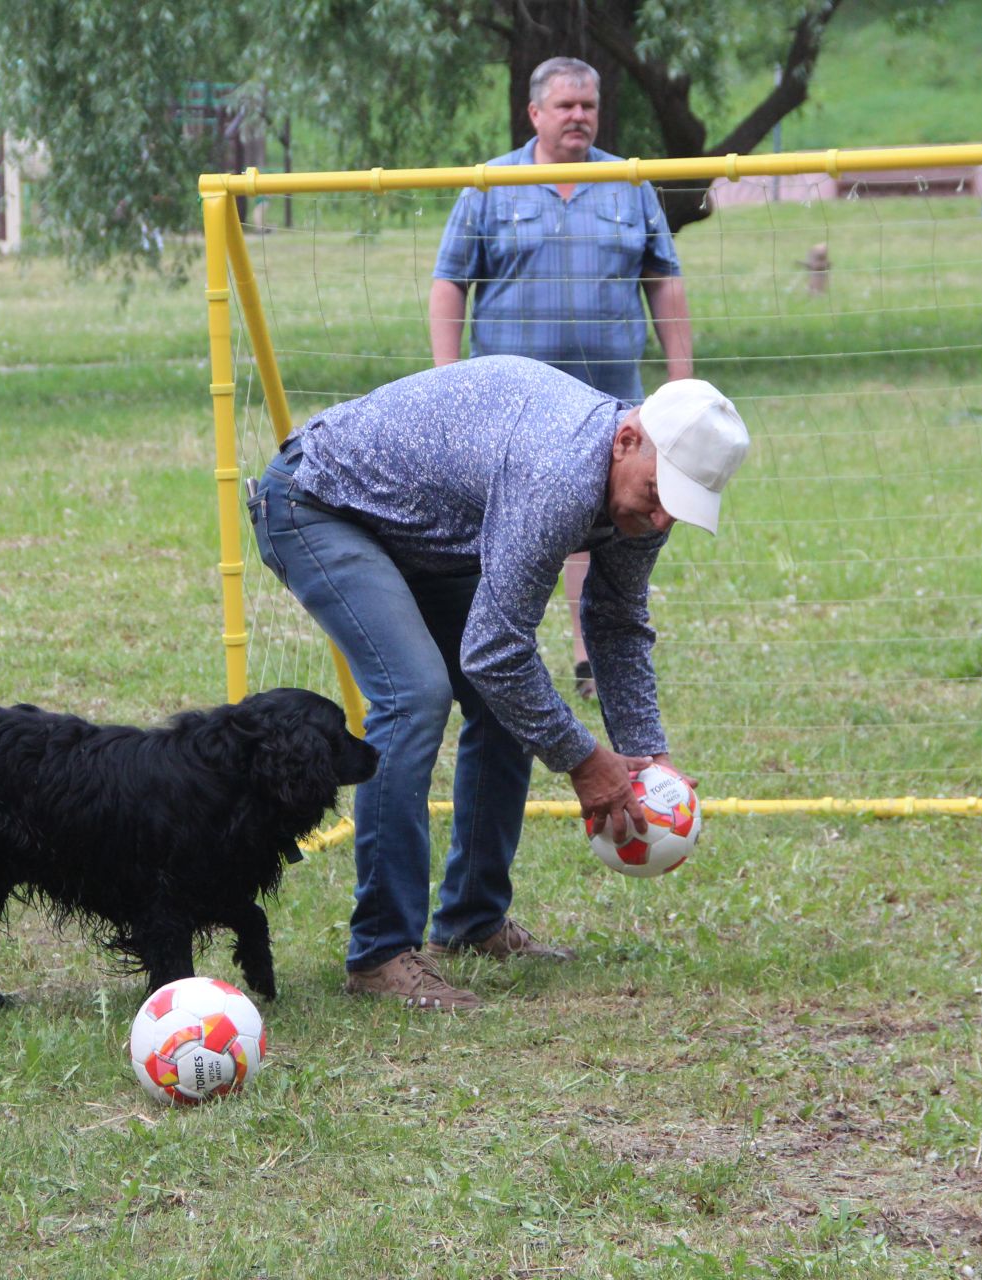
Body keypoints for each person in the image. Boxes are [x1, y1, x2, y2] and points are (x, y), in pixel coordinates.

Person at [245, 355, 749, 1010]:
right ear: (627, 440)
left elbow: (616, 622)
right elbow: (494, 651)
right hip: (318, 502)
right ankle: (380, 953)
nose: (660, 522)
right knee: (414, 694)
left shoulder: (641, 494)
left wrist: (647, 756)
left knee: (507, 702)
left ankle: (470, 922)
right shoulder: (561, 473)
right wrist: (585, 761)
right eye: (658, 495)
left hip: (422, 528)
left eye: (678, 508)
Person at [430, 56, 695, 701]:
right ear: (535, 114)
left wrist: (680, 385)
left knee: (604, 525)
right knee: (502, 525)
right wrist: (446, 378)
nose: (578, 116)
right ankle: (488, 648)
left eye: (589, 106)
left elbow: (664, 281)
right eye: (565, 105)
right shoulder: (489, 184)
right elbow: (449, 283)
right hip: (510, 410)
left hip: (609, 401)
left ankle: (588, 655)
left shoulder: (629, 184)